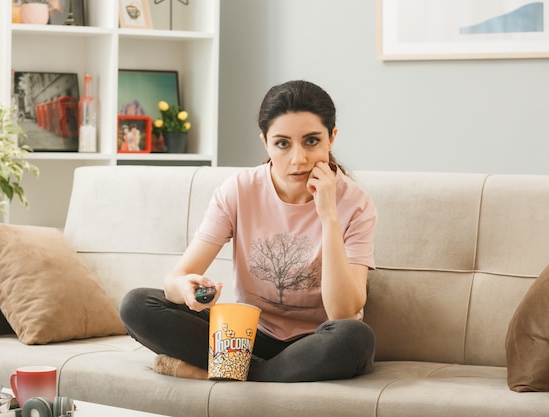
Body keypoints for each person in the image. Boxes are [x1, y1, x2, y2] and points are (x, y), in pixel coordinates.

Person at [119, 80, 378, 382]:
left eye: (311, 141)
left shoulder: (355, 203)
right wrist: (186, 289)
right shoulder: (238, 191)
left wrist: (329, 217)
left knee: (355, 337)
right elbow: (173, 282)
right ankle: (261, 374)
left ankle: (228, 372)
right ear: (265, 142)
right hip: (247, 337)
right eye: (282, 143)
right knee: (137, 305)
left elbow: (342, 312)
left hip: (314, 344)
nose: (299, 159)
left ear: (331, 138)